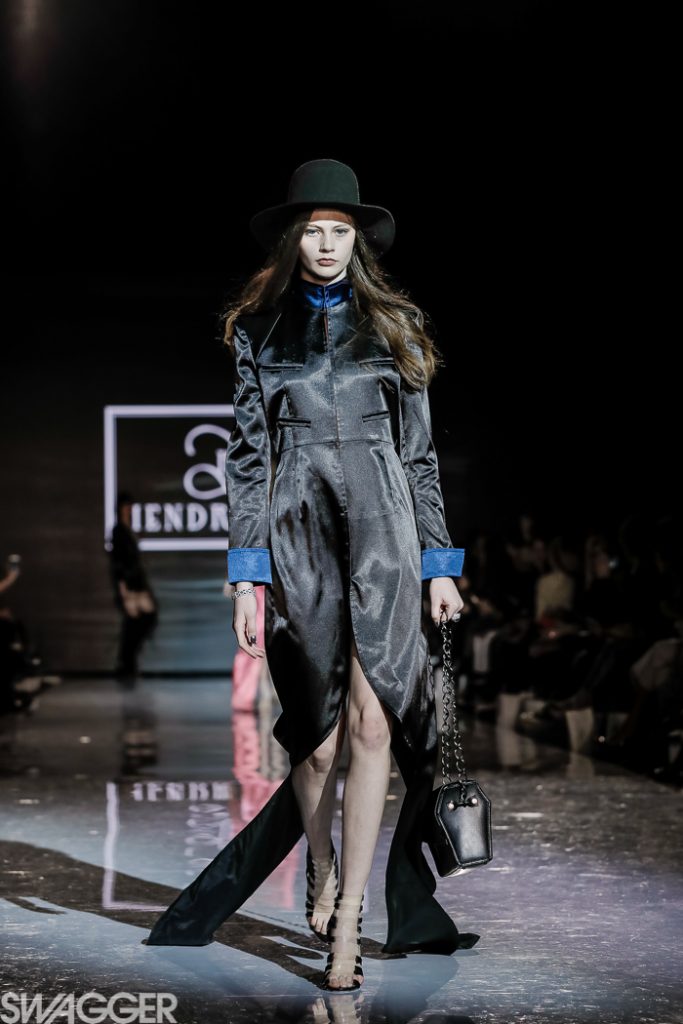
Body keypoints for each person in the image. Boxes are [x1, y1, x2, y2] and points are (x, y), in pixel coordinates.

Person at [145, 158, 480, 988]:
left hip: (386, 538)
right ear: (292, 239)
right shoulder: (258, 333)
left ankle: (350, 922)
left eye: (339, 231)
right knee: (318, 740)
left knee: (372, 728)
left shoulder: (395, 326)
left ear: (356, 241)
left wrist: (439, 566)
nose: (326, 244)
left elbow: (419, 457)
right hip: (298, 541)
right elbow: (247, 459)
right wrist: (246, 576)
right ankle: (320, 865)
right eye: (313, 230)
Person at [109, 492, 158, 680]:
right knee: (134, 621)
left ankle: (126, 662)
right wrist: (123, 590)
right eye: (126, 506)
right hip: (129, 583)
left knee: (141, 620)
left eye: (130, 506)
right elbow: (118, 562)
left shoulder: (127, 529)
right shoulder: (118, 531)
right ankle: (126, 663)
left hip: (136, 581)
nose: (128, 510)